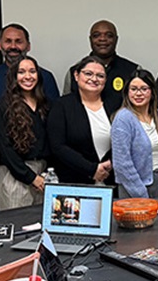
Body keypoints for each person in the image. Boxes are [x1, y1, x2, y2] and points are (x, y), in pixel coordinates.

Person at [0, 56, 50, 210]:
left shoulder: (45, 104)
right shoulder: (3, 105)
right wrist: (31, 178)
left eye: (32, 71)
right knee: (16, 227)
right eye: (22, 72)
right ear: (14, 77)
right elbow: (5, 149)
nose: (28, 76)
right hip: (16, 175)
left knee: (41, 226)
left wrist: (42, 177)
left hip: (43, 175)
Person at [47, 56, 114, 186]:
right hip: (75, 182)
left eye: (100, 76)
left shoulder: (115, 105)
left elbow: (125, 141)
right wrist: (92, 169)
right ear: (76, 76)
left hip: (112, 180)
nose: (94, 79)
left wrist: (111, 163)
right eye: (88, 74)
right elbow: (58, 146)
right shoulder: (61, 106)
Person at [111, 70, 158, 199]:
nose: (138, 93)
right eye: (134, 89)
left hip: (156, 183)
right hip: (132, 187)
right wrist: (141, 193)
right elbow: (121, 164)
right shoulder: (123, 118)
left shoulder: (157, 115)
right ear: (127, 92)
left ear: (152, 92)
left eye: (144, 89)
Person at [0, 24, 60, 105]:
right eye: (8, 41)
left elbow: (55, 112)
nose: (13, 46)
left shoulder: (45, 77)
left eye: (19, 41)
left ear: (28, 46)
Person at [89, 19, 148, 116]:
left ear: (116, 39)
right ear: (90, 39)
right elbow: (69, 107)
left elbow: (143, 108)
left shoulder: (133, 70)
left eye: (109, 35)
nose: (102, 39)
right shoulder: (75, 72)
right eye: (96, 35)